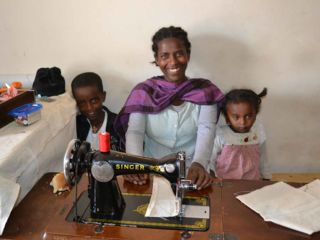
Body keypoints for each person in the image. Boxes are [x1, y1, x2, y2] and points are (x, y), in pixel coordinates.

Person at [115, 26, 224, 190]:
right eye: (165, 56)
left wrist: (200, 164)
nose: (173, 62)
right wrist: (136, 165)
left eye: (179, 53)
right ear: (157, 60)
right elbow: (135, 132)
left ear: (187, 55)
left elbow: (207, 129)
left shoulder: (205, 92)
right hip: (150, 171)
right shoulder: (143, 92)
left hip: (194, 171)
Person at [210, 88, 270, 180]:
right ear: (227, 117)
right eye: (236, 117)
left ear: (255, 114)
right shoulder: (221, 135)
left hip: (253, 186)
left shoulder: (258, 132)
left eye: (248, 116)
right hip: (225, 186)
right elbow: (210, 161)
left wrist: (267, 179)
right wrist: (212, 178)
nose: (242, 122)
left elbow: (263, 161)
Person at [71, 72, 123, 151]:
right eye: (82, 103)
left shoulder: (119, 125)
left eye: (94, 101)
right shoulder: (75, 125)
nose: (89, 108)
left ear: (103, 96)